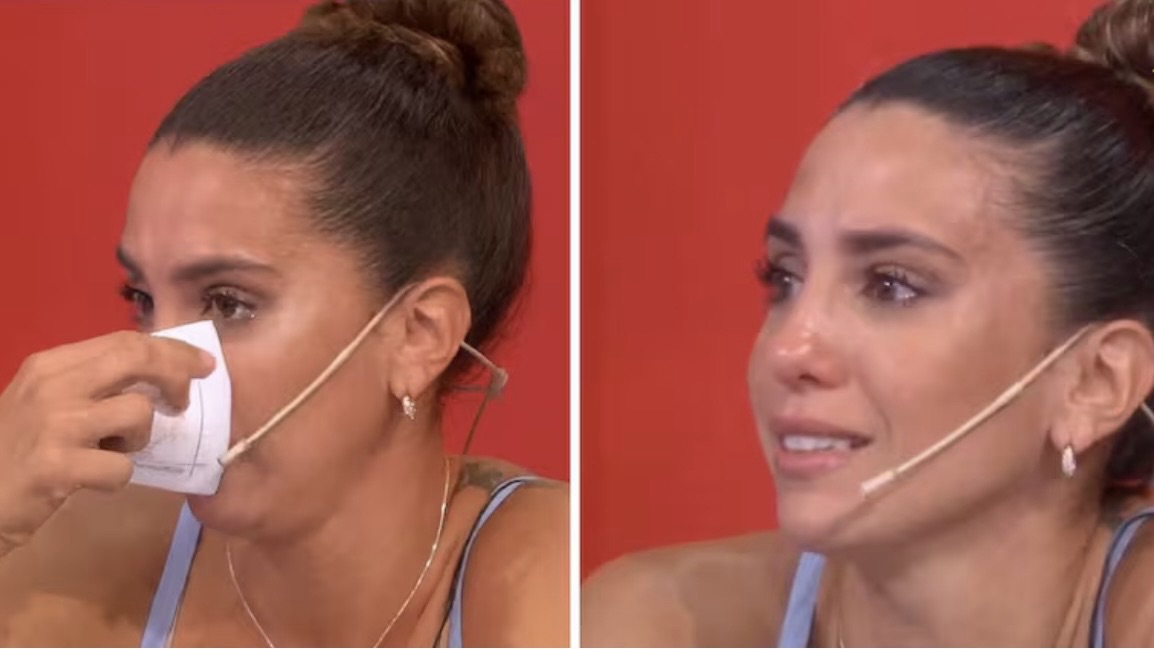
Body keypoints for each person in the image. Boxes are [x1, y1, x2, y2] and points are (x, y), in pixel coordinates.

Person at [582, 0, 1154, 646]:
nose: (788, 349)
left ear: (1095, 382)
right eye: (784, 278)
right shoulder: (654, 623)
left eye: (892, 286)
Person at [0, 0, 568, 646]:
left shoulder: (546, 572)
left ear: (420, 334)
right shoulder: (80, 549)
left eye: (228, 303)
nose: (160, 368)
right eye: (144, 298)